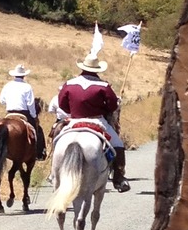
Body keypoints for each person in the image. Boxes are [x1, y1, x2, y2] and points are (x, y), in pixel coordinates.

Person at [53, 49, 130, 191]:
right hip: (97, 121)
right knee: (118, 145)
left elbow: (62, 104)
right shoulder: (104, 86)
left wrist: (74, 111)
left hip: (74, 121)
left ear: (82, 67)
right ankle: (119, 178)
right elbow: (113, 105)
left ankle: (54, 173)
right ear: (97, 70)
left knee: (57, 140)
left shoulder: (69, 83)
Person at [0, 64, 46, 156]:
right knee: (37, 130)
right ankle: (39, 153)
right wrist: (34, 116)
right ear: (24, 75)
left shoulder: (7, 85)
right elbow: (30, 104)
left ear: (14, 75)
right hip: (23, 113)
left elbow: (2, 101)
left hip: (9, 112)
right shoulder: (27, 87)